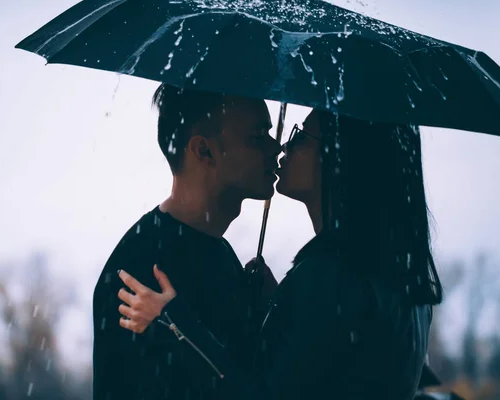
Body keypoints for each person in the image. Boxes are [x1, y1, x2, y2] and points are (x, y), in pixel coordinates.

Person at [117, 110, 444, 400]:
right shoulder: (399, 278)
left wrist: (175, 321)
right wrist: (277, 309)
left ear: (340, 156)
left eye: (301, 135)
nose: (282, 146)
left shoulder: (329, 277)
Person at [92, 83, 282, 400]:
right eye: (257, 137)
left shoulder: (222, 256)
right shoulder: (142, 271)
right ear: (203, 151)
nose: (276, 148)